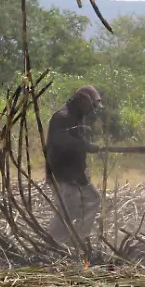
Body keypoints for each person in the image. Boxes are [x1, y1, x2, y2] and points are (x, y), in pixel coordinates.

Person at [45, 85, 104, 244]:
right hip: (62, 173)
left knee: (93, 199)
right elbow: (59, 141)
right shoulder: (62, 116)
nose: (92, 110)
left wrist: (86, 146)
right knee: (67, 210)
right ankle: (54, 243)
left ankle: (78, 239)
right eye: (91, 105)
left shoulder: (77, 117)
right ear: (83, 101)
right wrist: (84, 145)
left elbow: (77, 142)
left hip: (77, 173)